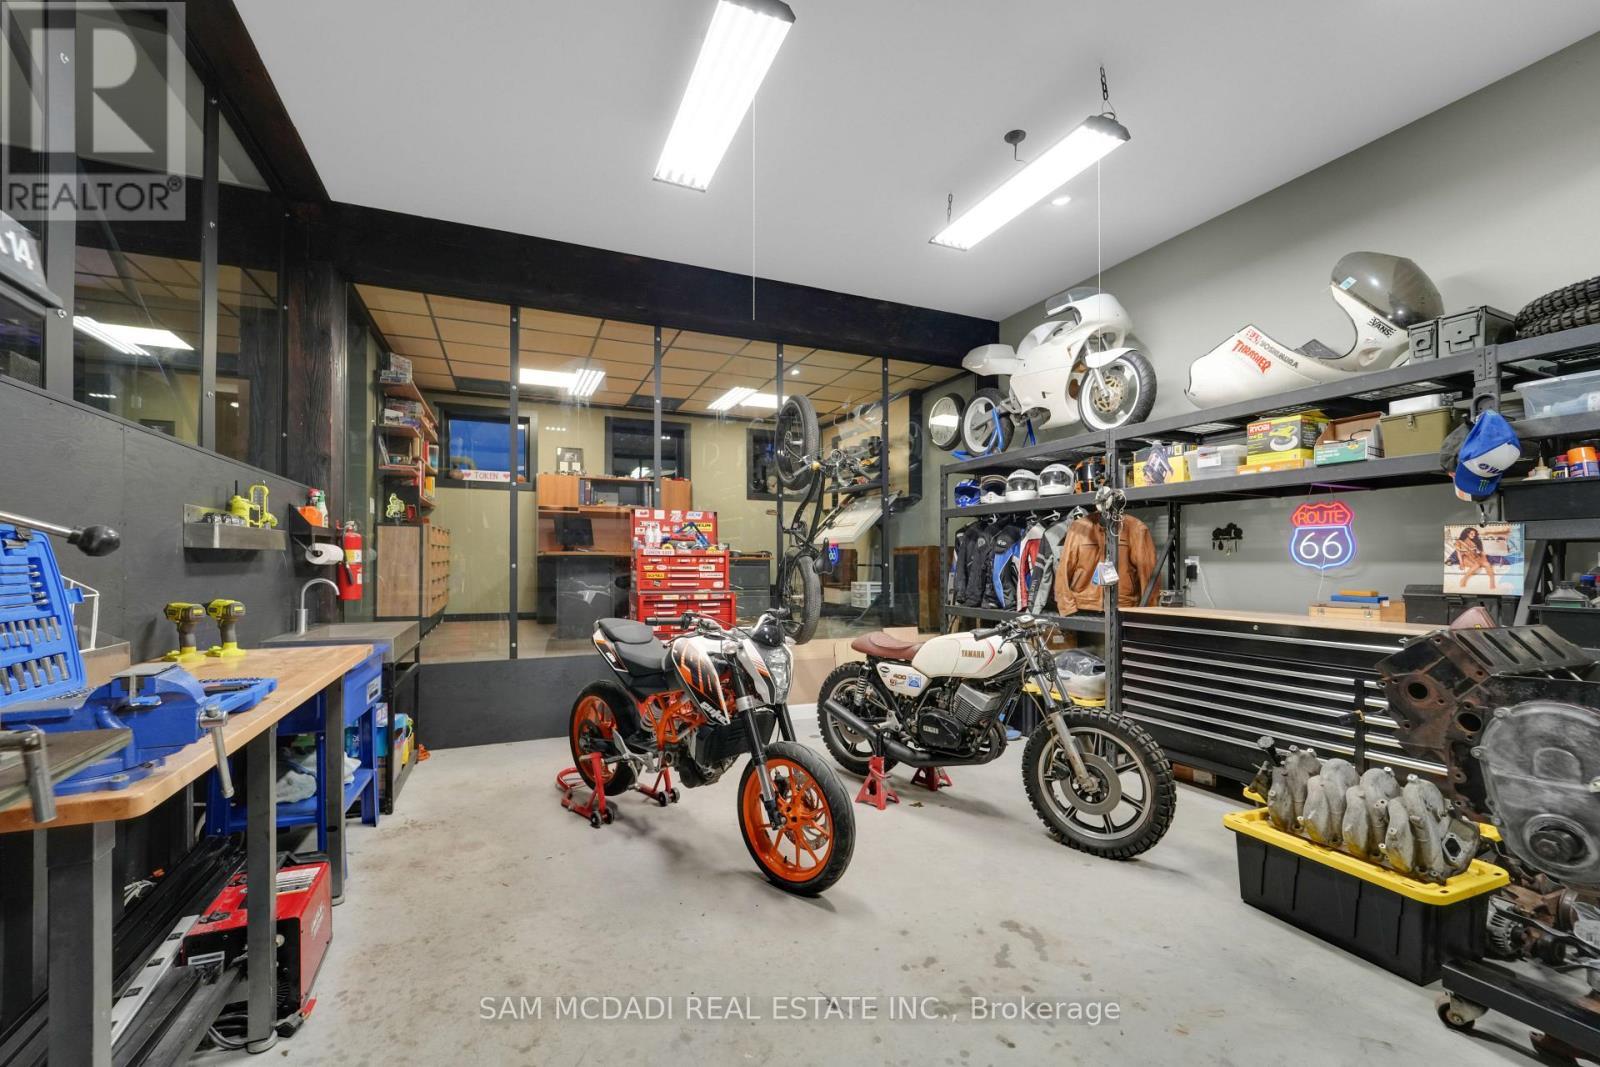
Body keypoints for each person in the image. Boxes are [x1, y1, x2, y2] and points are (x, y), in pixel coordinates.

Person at [1454, 527, 1495, 591]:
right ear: (1467, 534)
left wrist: (1485, 559)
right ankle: (1464, 579)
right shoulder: (1459, 542)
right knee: (1476, 565)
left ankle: (1492, 582)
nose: (1474, 535)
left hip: (1475, 557)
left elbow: (1482, 552)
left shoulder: (1476, 540)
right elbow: (1458, 553)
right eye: (1472, 534)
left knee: (1487, 564)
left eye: (1475, 534)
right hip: (1465, 558)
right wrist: (1461, 563)